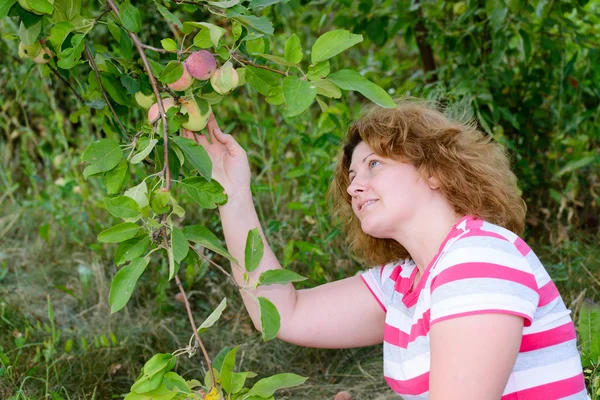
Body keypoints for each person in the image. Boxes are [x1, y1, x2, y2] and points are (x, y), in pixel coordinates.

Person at [182, 99, 589, 399]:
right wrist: (231, 193)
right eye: (352, 175)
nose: (355, 185)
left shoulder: (479, 258)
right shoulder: (403, 283)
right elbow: (283, 315)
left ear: (433, 171)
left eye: (374, 164)